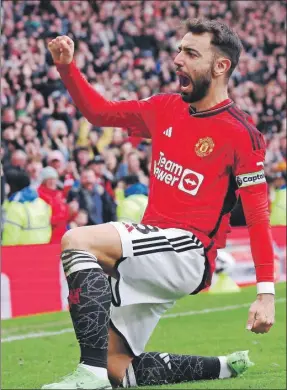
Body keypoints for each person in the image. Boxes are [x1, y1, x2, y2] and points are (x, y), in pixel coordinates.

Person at [43, 18, 275, 389]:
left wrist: (266, 294)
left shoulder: (241, 134)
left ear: (220, 66)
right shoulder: (164, 107)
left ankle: (88, 373)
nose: (177, 59)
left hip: (189, 251)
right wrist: (66, 68)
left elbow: (259, 216)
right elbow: (99, 113)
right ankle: (221, 367)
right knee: (119, 367)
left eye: (190, 53)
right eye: (179, 49)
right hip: (152, 249)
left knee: (77, 241)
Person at [2, 168, 52, 246]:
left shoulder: (15, 207)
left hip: (22, 252)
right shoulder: (42, 203)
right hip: (43, 248)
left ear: (12, 186)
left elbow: (10, 238)